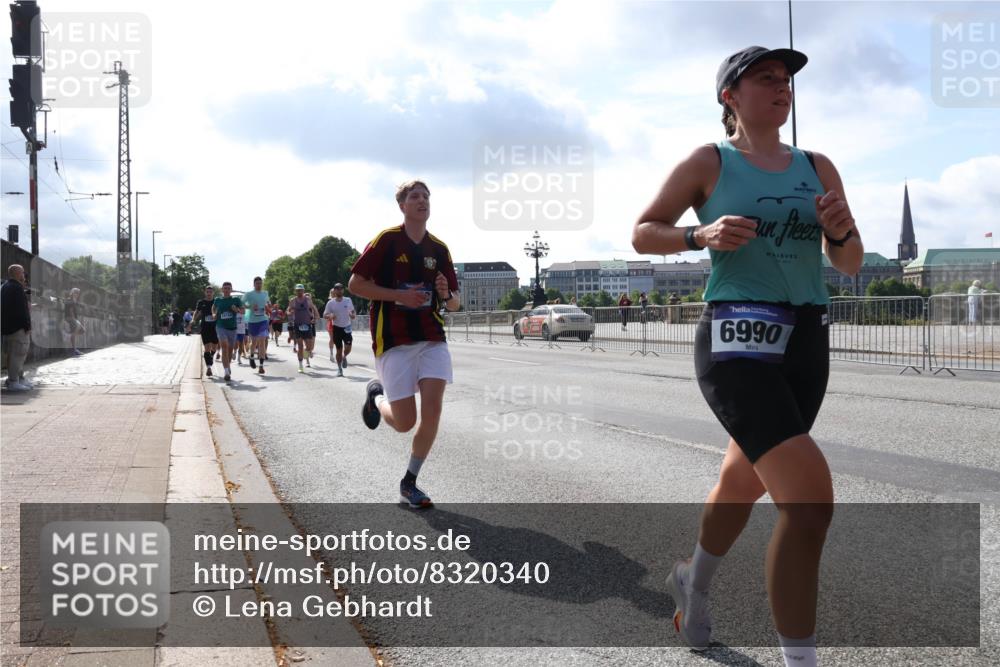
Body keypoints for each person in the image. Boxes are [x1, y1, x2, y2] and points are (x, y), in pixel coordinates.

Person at [631, 46, 863, 667]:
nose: (781, 87)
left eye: (786, 80)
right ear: (730, 95)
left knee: (742, 481)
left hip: (806, 341)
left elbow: (850, 262)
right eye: (766, 78)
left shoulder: (817, 165)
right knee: (809, 503)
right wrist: (697, 234)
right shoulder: (710, 161)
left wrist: (839, 229)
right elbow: (643, 230)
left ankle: (693, 580)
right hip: (736, 338)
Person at [349, 180, 460, 509]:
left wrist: (445, 293)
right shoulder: (387, 240)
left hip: (432, 338)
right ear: (402, 205)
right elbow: (356, 284)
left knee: (433, 412)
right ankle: (376, 396)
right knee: (404, 422)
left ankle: (409, 482)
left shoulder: (439, 249)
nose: (422, 200)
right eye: (415, 196)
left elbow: (455, 304)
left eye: (427, 196)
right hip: (394, 339)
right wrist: (399, 295)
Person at [2, 264, 33, 391]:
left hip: (6, 328)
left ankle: (17, 379)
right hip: (17, 328)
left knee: (13, 355)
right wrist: (27, 326)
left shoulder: (5, 286)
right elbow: (22, 310)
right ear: (17, 273)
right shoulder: (17, 288)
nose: (24, 275)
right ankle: (14, 381)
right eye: (22, 272)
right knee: (18, 354)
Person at [324, 283, 356, 376]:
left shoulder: (348, 300)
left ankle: (344, 356)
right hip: (337, 328)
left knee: (348, 348)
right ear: (334, 290)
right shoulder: (331, 303)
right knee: (338, 349)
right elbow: (324, 315)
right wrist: (330, 316)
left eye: (341, 288)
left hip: (347, 327)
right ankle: (339, 369)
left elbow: (353, 312)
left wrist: (352, 315)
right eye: (337, 289)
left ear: (343, 290)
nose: (339, 290)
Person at [212, 282, 242, 382]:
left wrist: (236, 309)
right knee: (224, 346)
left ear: (231, 290)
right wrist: (213, 313)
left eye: (228, 288)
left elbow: (243, 311)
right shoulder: (218, 300)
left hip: (232, 328)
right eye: (225, 288)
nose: (226, 290)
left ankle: (228, 366)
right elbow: (213, 307)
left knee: (229, 350)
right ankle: (226, 372)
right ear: (222, 289)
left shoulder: (236, 300)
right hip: (221, 326)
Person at [287, 284, 320, 373]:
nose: (299, 292)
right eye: (297, 290)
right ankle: (300, 365)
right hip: (297, 325)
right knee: (300, 346)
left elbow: (313, 307)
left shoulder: (307, 300)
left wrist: (316, 316)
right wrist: (289, 313)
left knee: (309, 347)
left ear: (303, 290)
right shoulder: (293, 300)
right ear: (295, 291)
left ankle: (306, 355)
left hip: (307, 324)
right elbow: (288, 310)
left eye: (301, 290)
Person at [242, 277, 271, 375]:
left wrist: (268, 306)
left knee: (262, 340)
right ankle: (251, 356)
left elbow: (268, 303)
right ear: (254, 284)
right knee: (254, 342)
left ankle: (261, 366)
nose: (259, 285)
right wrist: (250, 307)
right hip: (252, 321)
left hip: (263, 319)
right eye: (257, 283)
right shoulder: (249, 294)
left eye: (260, 283)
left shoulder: (265, 293)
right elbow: (241, 304)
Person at [192, 286, 219, 377]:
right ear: (205, 293)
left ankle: (211, 356)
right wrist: (193, 319)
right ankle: (208, 367)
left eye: (210, 292)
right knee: (207, 348)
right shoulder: (201, 302)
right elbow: (197, 311)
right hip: (205, 327)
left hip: (215, 328)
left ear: (213, 293)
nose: (209, 293)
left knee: (214, 347)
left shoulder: (216, 301)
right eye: (207, 292)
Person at [64, 288, 85, 355]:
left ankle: (70, 336)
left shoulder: (73, 300)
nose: (77, 294)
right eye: (76, 293)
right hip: (70, 317)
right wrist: (75, 320)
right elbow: (70, 311)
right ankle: (74, 350)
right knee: (77, 330)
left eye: (78, 293)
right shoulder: (70, 300)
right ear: (72, 293)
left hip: (73, 318)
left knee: (82, 330)